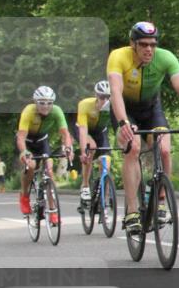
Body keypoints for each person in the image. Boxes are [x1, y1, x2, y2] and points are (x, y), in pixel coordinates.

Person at [107, 22, 179, 229]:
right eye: (143, 44)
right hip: (126, 109)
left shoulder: (166, 57)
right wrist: (123, 122)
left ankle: (160, 201)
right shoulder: (118, 57)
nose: (149, 49)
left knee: (165, 150)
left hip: (151, 109)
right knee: (134, 149)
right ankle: (132, 211)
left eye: (153, 44)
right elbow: (115, 91)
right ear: (133, 44)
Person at [15, 86, 74, 223]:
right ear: (35, 102)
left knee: (49, 170)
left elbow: (65, 134)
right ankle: (24, 196)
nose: (45, 106)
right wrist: (25, 152)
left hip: (42, 141)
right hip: (27, 142)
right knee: (31, 166)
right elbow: (21, 137)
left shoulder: (57, 111)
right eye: (41, 102)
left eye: (49, 103)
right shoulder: (28, 111)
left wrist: (68, 148)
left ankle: (53, 211)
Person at [76, 80, 113, 207]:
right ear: (96, 96)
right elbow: (82, 130)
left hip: (100, 131)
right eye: (102, 97)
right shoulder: (85, 105)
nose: (105, 100)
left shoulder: (113, 106)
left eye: (109, 97)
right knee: (91, 147)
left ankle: (105, 199)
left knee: (106, 164)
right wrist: (82, 152)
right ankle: (85, 185)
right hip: (84, 129)